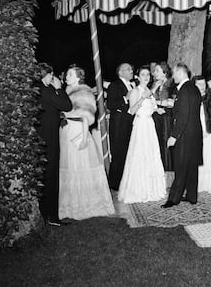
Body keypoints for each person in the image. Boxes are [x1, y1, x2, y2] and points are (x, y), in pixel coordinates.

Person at [59, 66, 115, 220]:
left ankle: (87, 204)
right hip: (67, 129)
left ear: (78, 77)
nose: (67, 77)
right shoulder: (67, 91)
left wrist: (84, 137)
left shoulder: (83, 92)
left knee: (80, 164)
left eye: (70, 74)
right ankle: (71, 203)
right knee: (69, 165)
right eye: (67, 74)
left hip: (78, 130)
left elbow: (85, 117)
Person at [118, 66, 166, 203]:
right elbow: (131, 111)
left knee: (152, 154)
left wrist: (158, 110)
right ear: (138, 77)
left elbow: (151, 106)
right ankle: (138, 190)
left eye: (147, 75)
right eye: (143, 74)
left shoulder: (149, 92)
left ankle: (153, 188)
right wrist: (141, 99)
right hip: (140, 126)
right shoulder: (135, 91)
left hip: (150, 126)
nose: (146, 77)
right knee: (140, 155)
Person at [162, 63, 203, 208]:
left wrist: (174, 136)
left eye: (174, 73)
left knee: (180, 166)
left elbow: (183, 117)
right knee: (191, 165)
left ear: (180, 73)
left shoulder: (184, 90)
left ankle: (173, 198)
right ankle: (192, 196)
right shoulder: (193, 88)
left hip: (184, 134)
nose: (173, 77)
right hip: (194, 133)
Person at [37, 63, 72, 226]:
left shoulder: (44, 90)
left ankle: (50, 214)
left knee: (50, 175)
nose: (54, 78)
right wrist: (60, 89)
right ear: (47, 75)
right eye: (52, 75)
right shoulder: (47, 92)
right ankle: (50, 216)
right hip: (48, 138)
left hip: (49, 136)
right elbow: (67, 105)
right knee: (50, 175)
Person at [107, 63, 135, 191]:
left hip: (130, 122)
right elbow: (110, 105)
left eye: (131, 69)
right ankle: (115, 183)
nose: (131, 71)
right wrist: (125, 98)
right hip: (119, 124)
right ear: (120, 72)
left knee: (128, 152)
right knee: (118, 152)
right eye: (128, 69)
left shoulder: (133, 85)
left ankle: (126, 180)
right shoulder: (115, 85)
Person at [151, 62, 176, 171]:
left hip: (167, 116)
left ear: (164, 72)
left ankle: (169, 169)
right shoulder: (154, 85)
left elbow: (173, 102)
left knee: (167, 141)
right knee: (158, 142)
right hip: (157, 116)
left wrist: (159, 102)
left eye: (157, 70)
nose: (154, 73)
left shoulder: (171, 84)